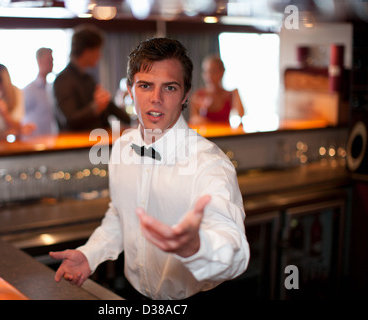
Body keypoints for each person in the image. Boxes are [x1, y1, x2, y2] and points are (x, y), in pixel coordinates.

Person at [49, 38, 250, 300]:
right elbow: (120, 215)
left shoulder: (210, 164)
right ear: (131, 90)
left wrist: (199, 247)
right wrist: (91, 254)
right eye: (145, 86)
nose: (156, 99)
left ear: (185, 95)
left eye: (169, 87)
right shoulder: (122, 148)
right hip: (133, 295)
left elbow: (235, 249)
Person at [53, 24, 130, 131]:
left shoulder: (88, 78)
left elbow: (108, 105)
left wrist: (132, 121)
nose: (100, 55)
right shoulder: (63, 79)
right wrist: (95, 108)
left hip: (96, 138)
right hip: (77, 144)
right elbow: (69, 120)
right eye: (98, 50)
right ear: (87, 51)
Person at [189, 55, 244, 125]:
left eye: (213, 71)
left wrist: (236, 94)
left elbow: (241, 114)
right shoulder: (198, 96)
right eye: (206, 72)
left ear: (222, 72)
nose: (209, 76)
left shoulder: (230, 94)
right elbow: (193, 120)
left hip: (226, 134)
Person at [23, 47, 58, 136]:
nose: (52, 64)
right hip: (34, 140)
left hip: (50, 138)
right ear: (39, 62)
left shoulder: (50, 87)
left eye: (52, 61)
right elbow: (22, 116)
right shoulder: (30, 89)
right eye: (49, 61)